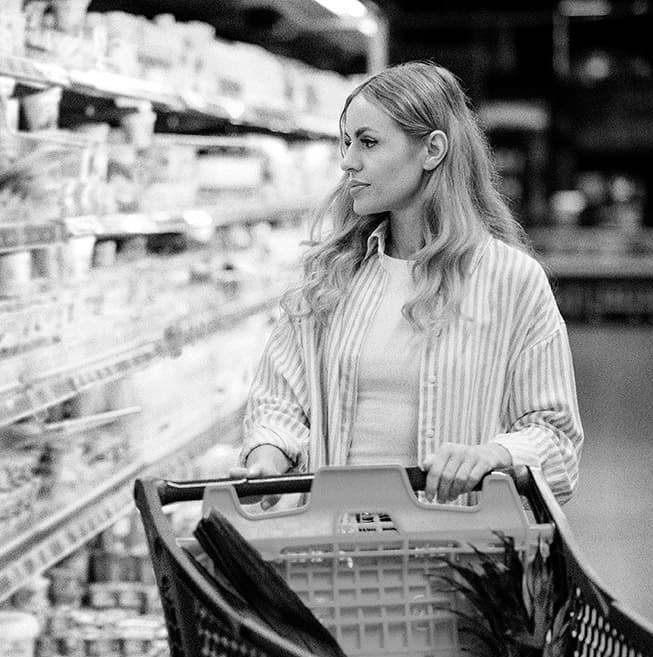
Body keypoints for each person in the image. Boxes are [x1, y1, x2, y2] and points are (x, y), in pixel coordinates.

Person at [232, 61, 583, 504]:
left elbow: (556, 439)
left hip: (461, 554)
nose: (347, 161)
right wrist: (267, 456)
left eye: (368, 142)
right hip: (336, 550)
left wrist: (494, 455)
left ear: (432, 150)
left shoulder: (511, 281)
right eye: (346, 142)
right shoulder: (332, 276)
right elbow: (280, 400)